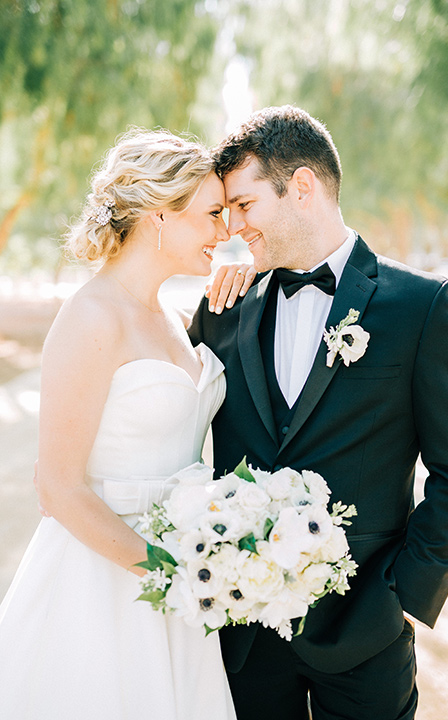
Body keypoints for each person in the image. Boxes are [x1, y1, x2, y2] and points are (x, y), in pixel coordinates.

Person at [188, 104, 448, 720]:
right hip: (246, 638)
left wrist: (402, 595)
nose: (234, 229)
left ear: (301, 187)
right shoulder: (223, 308)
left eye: (244, 205)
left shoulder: (423, 307)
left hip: (365, 635)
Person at [0, 128, 248, 720]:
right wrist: (168, 574)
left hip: (185, 579)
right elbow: (58, 487)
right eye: (213, 214)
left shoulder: (179, 315)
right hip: (103, 582)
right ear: (160, 212)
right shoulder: (89, 316)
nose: (226, 230)